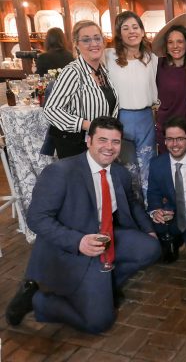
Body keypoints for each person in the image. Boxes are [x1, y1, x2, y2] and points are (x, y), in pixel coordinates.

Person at [5, 117, 161, 333]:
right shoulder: (61, 172)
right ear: (88, 140)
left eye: (115, 142)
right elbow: (37, 218)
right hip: (71, 245)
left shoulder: (119, 173)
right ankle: (37, 301)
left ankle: (106, 284)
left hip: (105, 238)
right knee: (98, 322)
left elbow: (133, 205)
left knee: (151, 248)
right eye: (102, 140)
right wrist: (78, 241)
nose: (109, 147)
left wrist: (149, 230)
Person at [44, 20, 118, 158]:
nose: (94, 43)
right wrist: (87, 125)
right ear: (76, 45)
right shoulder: (73, 72)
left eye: (97, 38)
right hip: (76, 147)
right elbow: (51, 110)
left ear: (103, 41)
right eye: (86, 40)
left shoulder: (102, 71)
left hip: (98, 145)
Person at [105, 11, 158, 199]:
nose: (131, 32)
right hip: (121, 118)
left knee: (148, 166)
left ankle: (150, 209)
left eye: (135, 27)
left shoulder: (151, 58)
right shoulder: (108, 57)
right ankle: (131, 211)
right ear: (119, 34)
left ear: (143, 32)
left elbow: (154, 91)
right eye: (125, 28)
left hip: (145, 118)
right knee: (127, 169)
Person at [147, 116, 186, 262]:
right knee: (155, 225)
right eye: (170, 139)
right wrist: (156, 209)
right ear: (164, 141)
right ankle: (173, 240)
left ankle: (185, 239)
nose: (174, 144)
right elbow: (153, 193)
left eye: (180, 139)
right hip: (173, 212)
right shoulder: (157, 164)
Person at [152, 13, 186, 154]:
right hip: (166, 131)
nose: (175, 46)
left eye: (180, 41)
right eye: (170, 42)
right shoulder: (158, 65)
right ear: (166, 46)